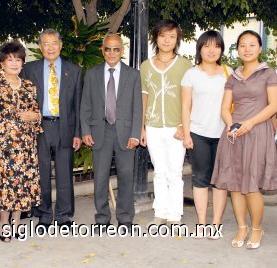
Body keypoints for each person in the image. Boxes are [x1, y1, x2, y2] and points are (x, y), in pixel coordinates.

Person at [211, 30, 277, 249]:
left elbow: (273, 106)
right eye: (242, 45)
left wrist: (250, 123)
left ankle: (257, 228)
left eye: (251, 45)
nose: (247, 49)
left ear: (260, 48)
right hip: (234, 134)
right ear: (237, 49)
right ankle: (242, 227)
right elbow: (224, 107)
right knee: (235, 185)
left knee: (251, 186)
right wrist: (230, 124)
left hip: (257, 132)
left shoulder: (269, 74)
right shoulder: (233, 77)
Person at [20, 29, 82, 231]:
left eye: (54, 43)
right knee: (42, 171)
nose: (50, 47)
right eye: (46, 43)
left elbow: (78, 105)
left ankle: (64, 215)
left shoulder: (74, 70)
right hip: (40, 126)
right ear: (40, 47)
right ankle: (44, 214)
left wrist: (78, 133)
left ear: (60, 45)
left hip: (65, 125)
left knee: (65, 172)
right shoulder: (29, 70)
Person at [80, 34, 142, 233]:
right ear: (102, 50)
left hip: (125, 133)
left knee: (126, 176)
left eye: (116, 49)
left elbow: (137, 108)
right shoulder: (92, 73)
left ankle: (125, 219)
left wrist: (135, 134)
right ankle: (102, 219)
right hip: (101, 131)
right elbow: (85, 105)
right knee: (100, 178)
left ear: (122, 51)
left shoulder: (133, 75)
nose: (112, 53)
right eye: (108, 49)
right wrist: (86, 130)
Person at [140, 20, 192, 227]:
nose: (167, 40)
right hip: (153, 126)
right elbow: (144, 96)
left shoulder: (185, 65)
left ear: (177, 39)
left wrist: (184, 126)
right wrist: (141, 127)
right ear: (156, 38)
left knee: (175, 171)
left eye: (172, 36)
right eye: (163, 36)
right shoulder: (146, 66)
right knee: (159, 171)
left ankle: (174, 214)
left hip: (176, 127)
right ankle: (160, 211)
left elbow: (191, 99)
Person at [0, 41, 42, 242]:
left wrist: (34, 117)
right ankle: (4, 225)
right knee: (8, 182)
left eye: (18, 59)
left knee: (24, 182)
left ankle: (17, 224)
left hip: (26, 142)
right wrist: (21, 116)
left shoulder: (28, 85)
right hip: (5, 142)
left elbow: (36, 113)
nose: (14, 63)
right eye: (9, 59)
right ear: (1, 63)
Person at [181, 30, 231, 238]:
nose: (212, 50)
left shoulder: (229, 73)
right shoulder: (191, 74)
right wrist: (186, 133)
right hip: (198, 133)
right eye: (207, 46)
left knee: (220, 181)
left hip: (223, 135)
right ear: (200, 49)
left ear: (221, 50)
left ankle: (216, 224)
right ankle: (202, 224)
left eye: (216, 46)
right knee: (200, 178)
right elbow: (185, 106)